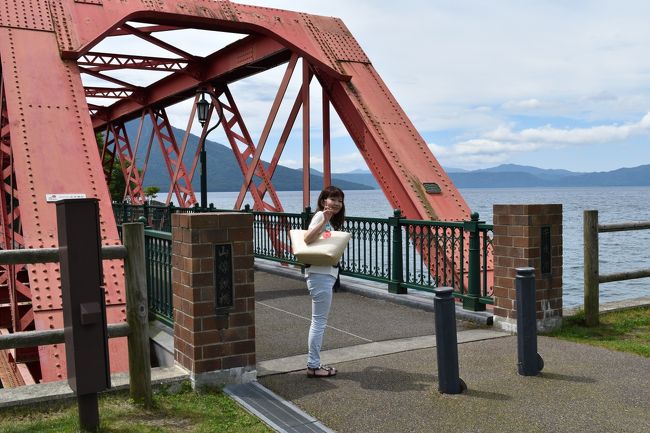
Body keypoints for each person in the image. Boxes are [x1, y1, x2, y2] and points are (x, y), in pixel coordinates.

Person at [303, 185, 346, 378]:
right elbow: (307, 238)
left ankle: (314, 363)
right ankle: (313, 366)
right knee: (319, 322)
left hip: (324, 274)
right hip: (319, 275)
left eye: (340, 200)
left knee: (319, 321)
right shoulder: (321, 216)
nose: (337, 203)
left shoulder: (327, 220)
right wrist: (324, 220)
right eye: (333, 199)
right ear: (323, 201)